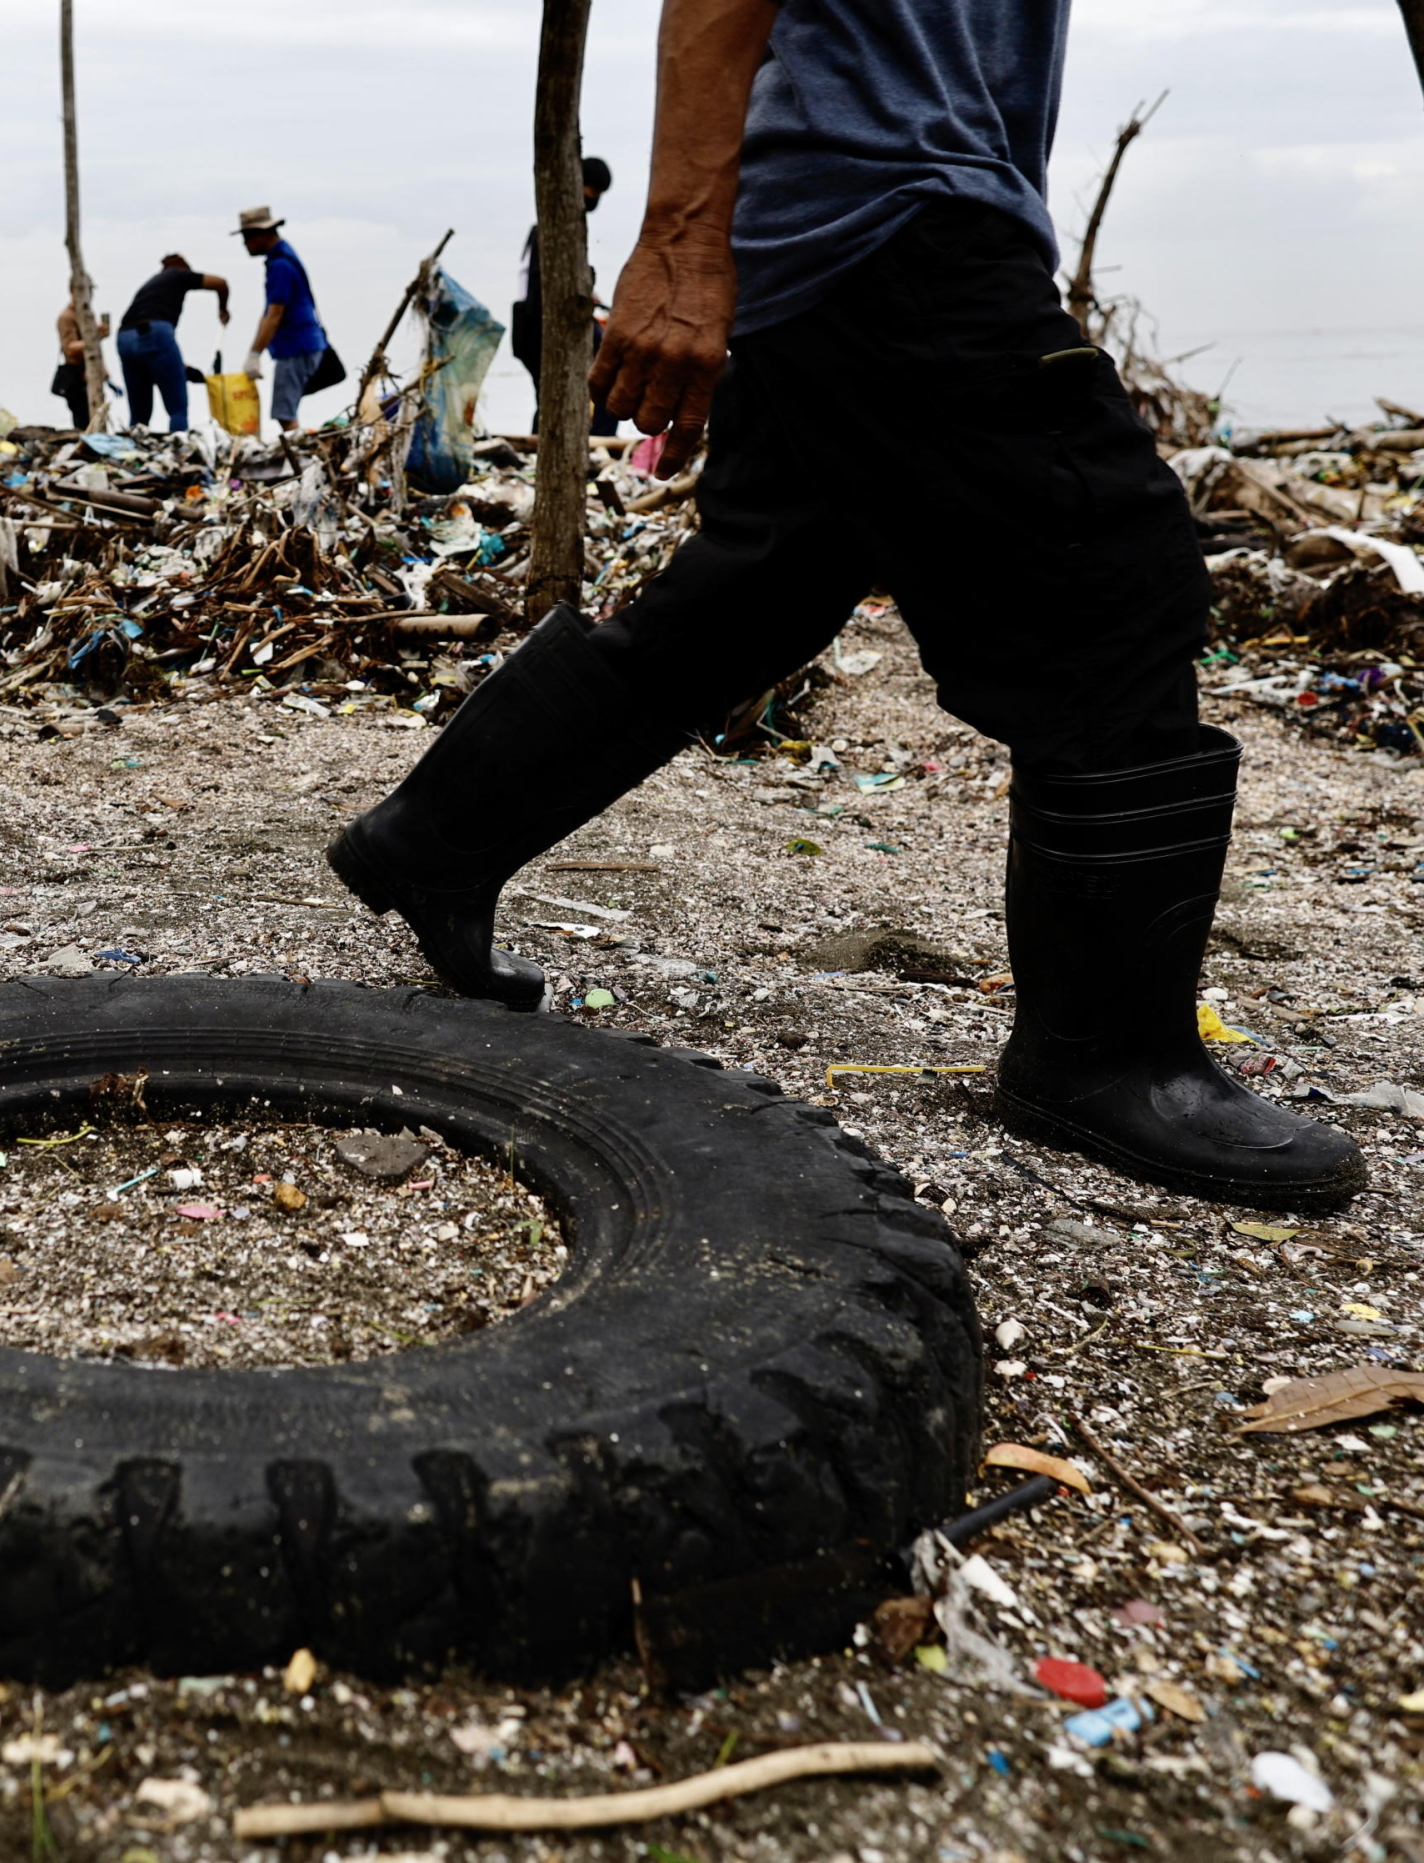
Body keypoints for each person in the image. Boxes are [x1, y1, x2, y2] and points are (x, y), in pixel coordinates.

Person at [325, 0, 1364, 1210]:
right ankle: (1111, 1061)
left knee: (760, 587)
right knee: (1108, 582)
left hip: (840, 231)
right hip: (893, 216)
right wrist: (677, 243)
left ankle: (432, 841)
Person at [511, 157, 619, 434]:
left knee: (550, 396)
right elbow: (543, 289)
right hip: (538, 327)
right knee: (553, 395)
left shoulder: (560, 230)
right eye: (591, 192)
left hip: (534, 326)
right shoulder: (553, 232)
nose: (591, 200)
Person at [236, 207, 328, 432]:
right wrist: (255, 350)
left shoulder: (280, 266)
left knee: (284, 413)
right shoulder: (282, 258)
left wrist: (255, 354)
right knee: (286, 409)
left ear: (262, 235)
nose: (245, 244)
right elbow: (268, 312)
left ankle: (300, 460)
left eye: (248, 237)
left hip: (297, 346)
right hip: (303, 344)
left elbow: (274, 316)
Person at [115, 254, 230, 432]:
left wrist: (180, 368)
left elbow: (148, 350)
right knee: (177, 410)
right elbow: (221, 283)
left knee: (139, 416)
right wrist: (223, 308)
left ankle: (133, 453)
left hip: (125, 339)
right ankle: (179, 453)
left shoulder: (152, 284)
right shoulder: (178, 274)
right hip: (156, 333)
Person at [53, 300, 107, 427]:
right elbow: (69, 348)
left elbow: (96, 351)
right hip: (76, 376)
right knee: (83, 420)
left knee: (96, 418)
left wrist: (106, 373)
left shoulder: (86, 315)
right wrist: (95, 336)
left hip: (91, 376)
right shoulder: (67, 317)